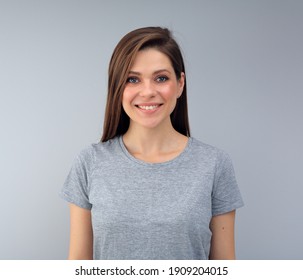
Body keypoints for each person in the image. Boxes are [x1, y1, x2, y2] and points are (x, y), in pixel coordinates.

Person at [60, 26, 244, 260]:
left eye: (161, 78)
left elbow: (225, 269)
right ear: (117, 88)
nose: (147, 92)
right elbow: (78, 267)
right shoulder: (89, 162)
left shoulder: (215, 164)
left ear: (180, 83)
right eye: (132, 79)